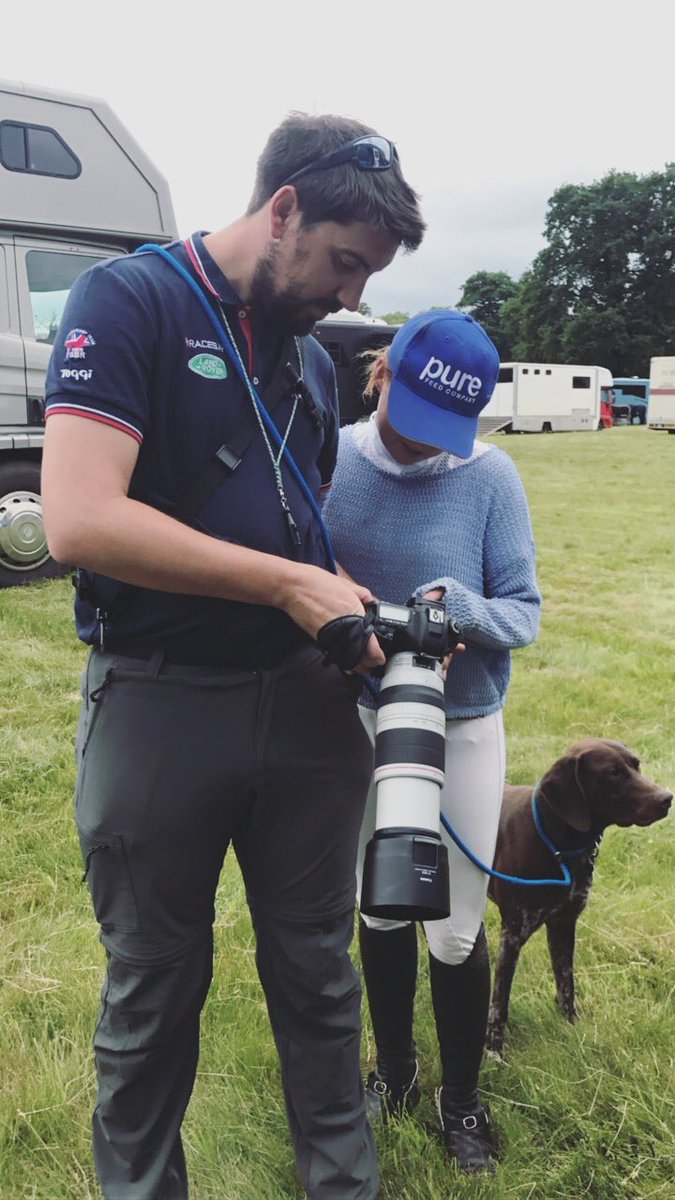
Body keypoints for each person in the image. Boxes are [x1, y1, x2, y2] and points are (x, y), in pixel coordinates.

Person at [40, 113, 425, 1200]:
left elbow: (293, 528)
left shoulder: (305, 354)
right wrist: (286, 586)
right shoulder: (132, 300)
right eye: (345, 263)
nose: (353, 296)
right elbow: (77, 520)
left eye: (369, 274)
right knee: (155, 987)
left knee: (317, 970)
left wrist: (344, 604)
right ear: (284, 208)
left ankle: (343, 1187)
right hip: (161, 703)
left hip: (303, 708)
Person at [322, 309, 542, 1174]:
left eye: (447, 434)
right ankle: (396, 1074)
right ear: (382, 376)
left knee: (452, 925)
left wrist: (454, 608)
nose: (428, 449)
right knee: (377, 903)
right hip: (357, 718)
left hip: (463, 724)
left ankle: (461, 1103)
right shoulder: (331, 456)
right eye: (414, 426)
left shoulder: (490, 477)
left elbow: (521, 611)